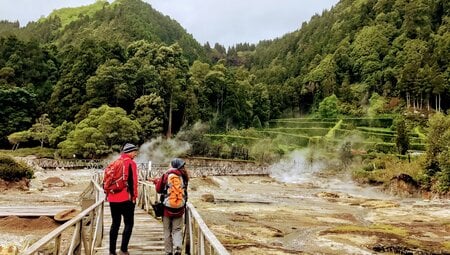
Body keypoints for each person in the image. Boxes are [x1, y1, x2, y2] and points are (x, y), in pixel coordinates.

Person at [150, 158, 189, 255]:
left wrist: (156, 182)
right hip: (179, 207)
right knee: (177, 229)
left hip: (167, 207)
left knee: (167, 230)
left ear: (173, 165)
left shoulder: (166, 174)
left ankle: (168, 252)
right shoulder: (184, 176)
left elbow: (159, 189)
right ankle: (178, 249)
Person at [107, 143, 139, 255]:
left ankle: (111, 251)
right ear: (129, 152)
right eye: (134, 152)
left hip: (112, 198)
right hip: (126, 198)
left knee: (115, 224)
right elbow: (134, 183)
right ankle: (123, 250)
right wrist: (134, 197)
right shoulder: (131, 163)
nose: (135, 154)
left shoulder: (115, 163)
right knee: (129, 224)